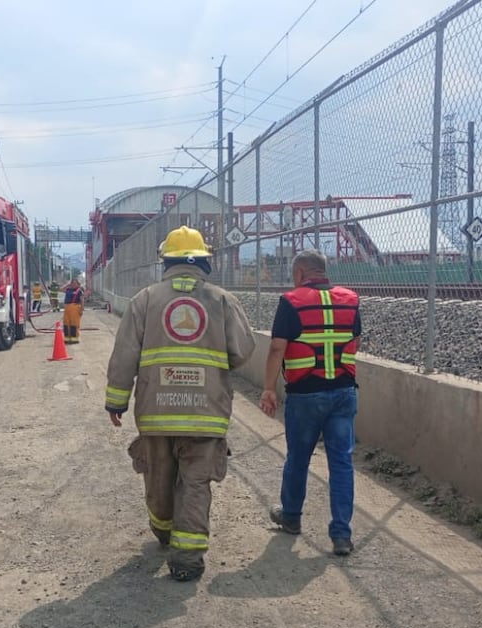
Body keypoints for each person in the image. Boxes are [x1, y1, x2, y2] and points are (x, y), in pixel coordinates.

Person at [106, 225, 255, 582]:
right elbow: (243, 350)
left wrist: (117, 400)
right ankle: (187, 559)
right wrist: (212, 366)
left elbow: (125, 354)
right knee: (196, 483)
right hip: (206, 414)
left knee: (158, 478)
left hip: (157, 411)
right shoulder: (221, 300)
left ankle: (163, 530)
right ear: (204, 262)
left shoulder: (145, 299)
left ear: (165, 262)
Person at [258, 249, 361, 557]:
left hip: (305, 395)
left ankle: (291, 516)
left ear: (300, 273)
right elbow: (354, 340)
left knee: (298, 458)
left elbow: (278, 347)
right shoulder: (351, 299)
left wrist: (268, 389)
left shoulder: (291, 301)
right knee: (341, 463)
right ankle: (342, 534)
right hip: (344, 392)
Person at [61, 278, 85, 344]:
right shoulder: (68, 289)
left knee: (74, 324)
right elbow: (61, 289)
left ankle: (74, 339)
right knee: (66, 323)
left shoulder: (79, 291)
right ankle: (67, 338)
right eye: (72, 283)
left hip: (75, 308)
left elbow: (82, 300)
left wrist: (81, 309)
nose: (73, 284)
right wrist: (67, 284)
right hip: (67, 308)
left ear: (78, 284)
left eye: (75, 283)